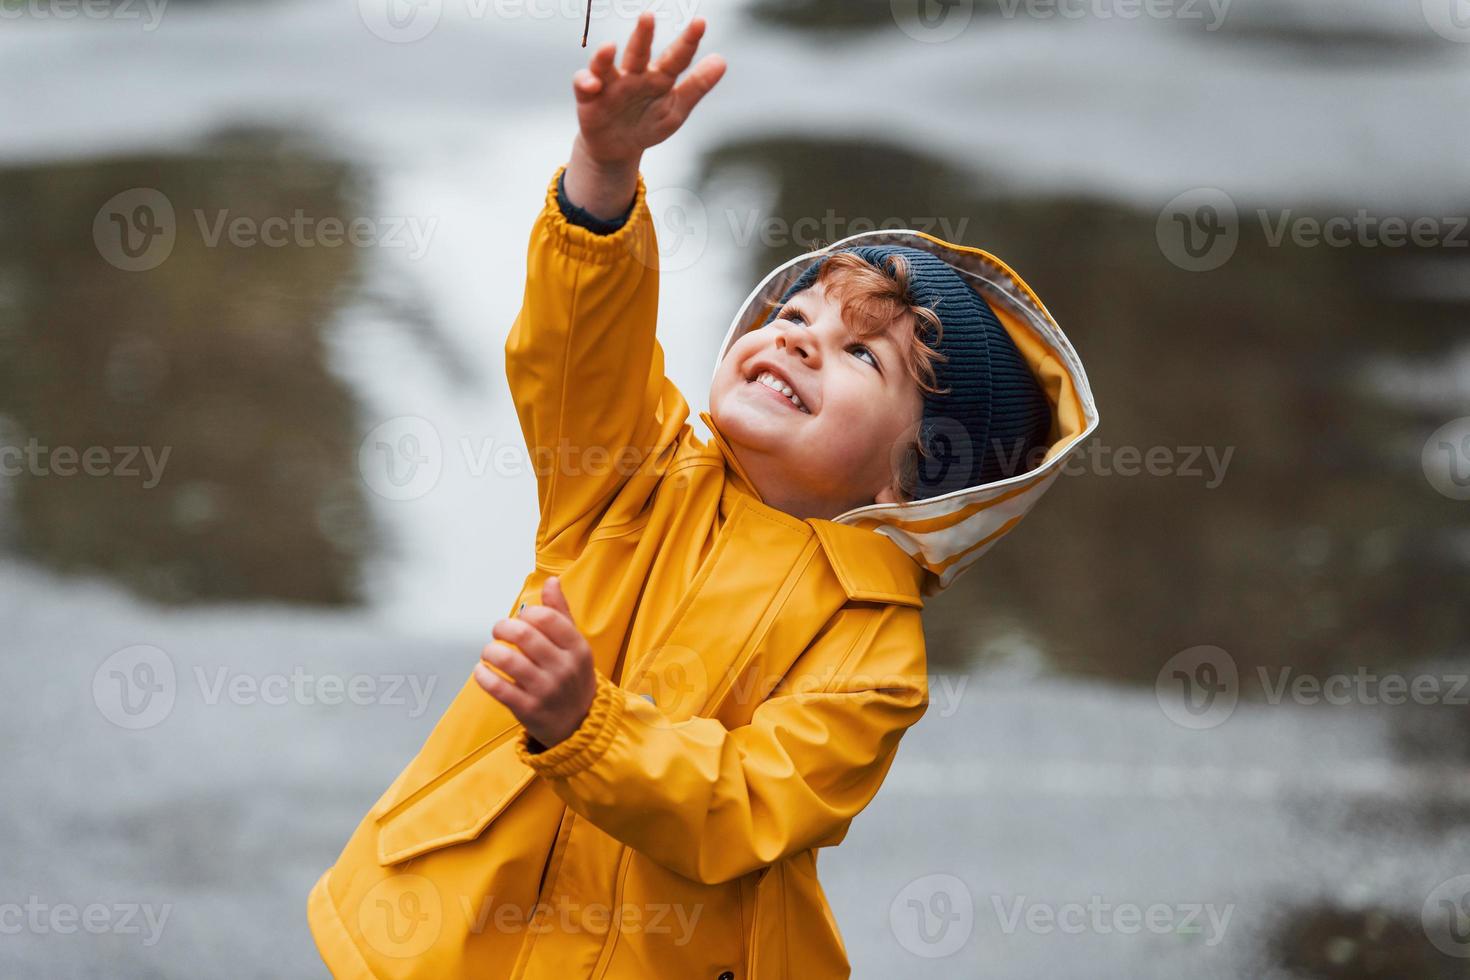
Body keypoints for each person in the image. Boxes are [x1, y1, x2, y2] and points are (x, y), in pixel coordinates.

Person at [307, 12, 1100, 978]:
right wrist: (602, 176)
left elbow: (743, 805)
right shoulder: (632, 473)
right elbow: (578, 352)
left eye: (862, 353)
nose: (801, 337)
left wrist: (585, 725)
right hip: (453, 937)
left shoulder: (875, 658)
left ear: (914, 470)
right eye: (796, 310)